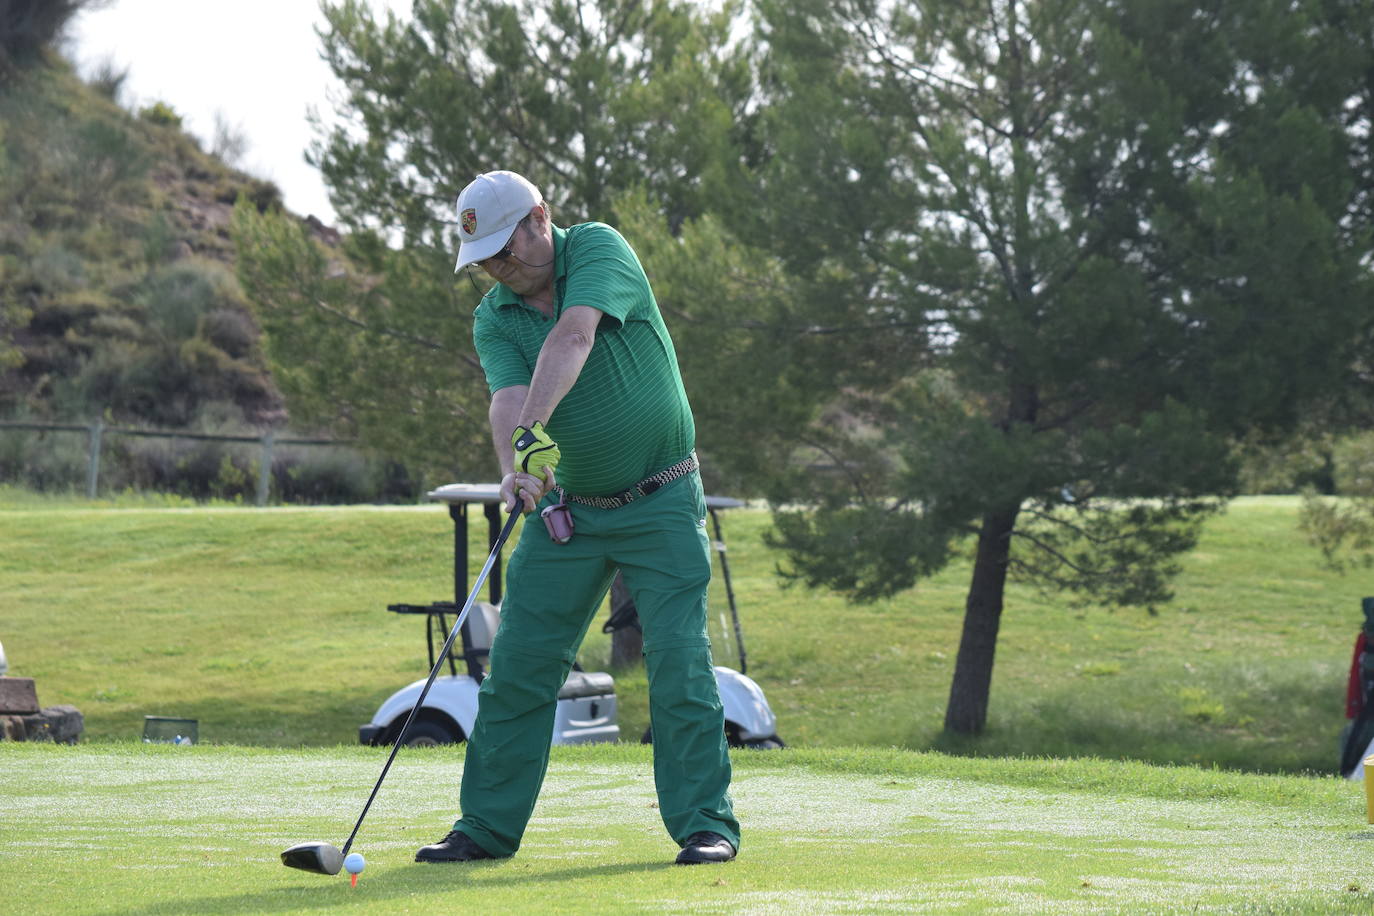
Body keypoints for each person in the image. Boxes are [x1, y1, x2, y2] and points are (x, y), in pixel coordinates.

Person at [415, 170, 739, 866]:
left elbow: (573, 337)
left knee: (679, 662)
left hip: (661, 498)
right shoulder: (494, 316)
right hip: (569, 512)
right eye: (487, 261)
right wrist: (514, 466)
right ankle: (486, 828)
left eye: (507, 249)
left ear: (540, 218)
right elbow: (506, 397)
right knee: (518, 667)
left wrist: (535, 429)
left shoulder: (596, 249)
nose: (499, 269)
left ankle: (705, 825)